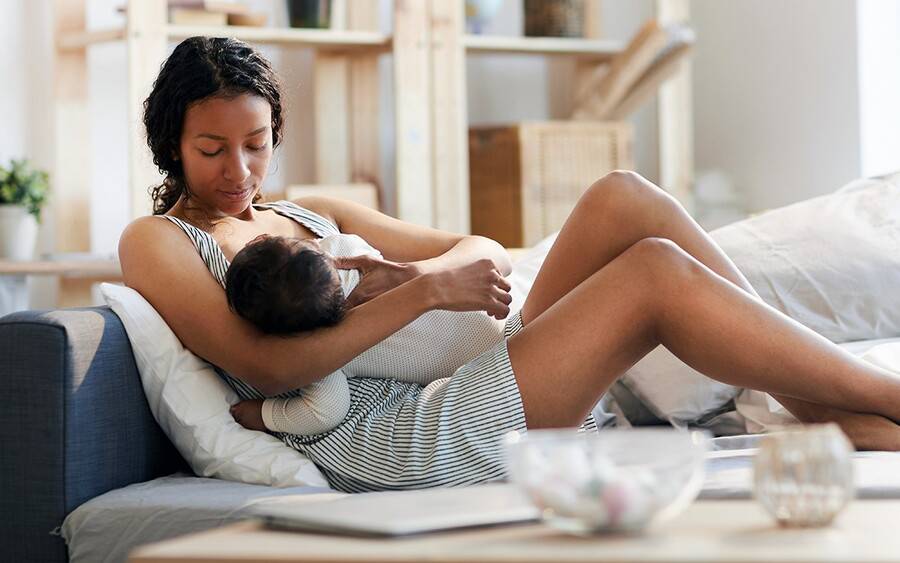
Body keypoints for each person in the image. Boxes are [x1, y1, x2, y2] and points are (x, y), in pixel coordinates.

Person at [119, 37, 900, 493]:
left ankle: (807, 396)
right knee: (653, 273)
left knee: (623, 199)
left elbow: (480, 247)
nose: (240, 172)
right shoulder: (157, 240)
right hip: (388, 423)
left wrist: (414, 274)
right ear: (172, 144)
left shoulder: (311, 212)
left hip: (465, 360)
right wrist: (423, 290)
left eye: (256, 146)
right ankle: (876, 393)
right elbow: (266, 361)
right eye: (212, 150)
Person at [224, 231, 509, 435]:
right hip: (505, 323)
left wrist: (264, 414)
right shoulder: (347, 249)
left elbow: (325, 412)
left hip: (491, 364)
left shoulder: (325, 354)